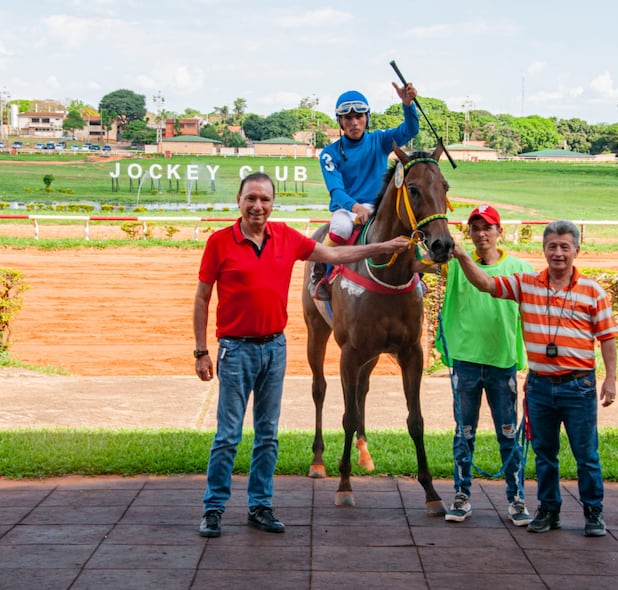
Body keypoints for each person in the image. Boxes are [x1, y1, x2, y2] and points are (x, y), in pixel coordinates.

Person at [194, 172, 410, 538]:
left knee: (267, 435)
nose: (257, 206)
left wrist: (380, 247)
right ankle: (213, 508)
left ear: (272, 203)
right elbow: (202, 297)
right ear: (239, 200)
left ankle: (260, 505)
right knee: (228, 435)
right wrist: (201, 350)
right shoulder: (219, 242)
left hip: (274, 349)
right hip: (235, 349)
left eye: (264, 199)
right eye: (251, 198)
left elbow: (335, 253)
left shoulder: (286, 237)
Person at [451, 219, 617, 537]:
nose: (558, 253)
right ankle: (548, 510)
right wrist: (461, 256)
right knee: (544, 454)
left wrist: (610, 379)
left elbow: (607, 338)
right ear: (543, 250)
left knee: (586, 454)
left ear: (576, 251)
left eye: (565, 247)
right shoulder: (527, 284)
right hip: (540, 385)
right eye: (552, 247)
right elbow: (487, 284)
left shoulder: (592, 291)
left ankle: (593, 511)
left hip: (578, 385)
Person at [438, 205, 535, 526]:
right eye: (475, 228)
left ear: (499, 231)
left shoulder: (520, 269)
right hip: (465, 363)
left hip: (502, 363)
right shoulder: (454, 268)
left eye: (487, 227)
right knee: (464, 433)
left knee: (508, 432)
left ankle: (516, 497)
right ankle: (461, 495)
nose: (481, 233)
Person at [310, 82, 419, 300]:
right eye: (348, 118)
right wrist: (356, 207)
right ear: (340, 121)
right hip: (348, 209)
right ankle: (319, 273)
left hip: (380, 207)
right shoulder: (329, 154)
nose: (354, 122)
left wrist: (408, 104)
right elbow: (336, 191)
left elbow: (410, 130)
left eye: (359, 116)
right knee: (340, 228)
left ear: (367, 118)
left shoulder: (380, 140)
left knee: (407, 226)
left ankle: (417, 277)